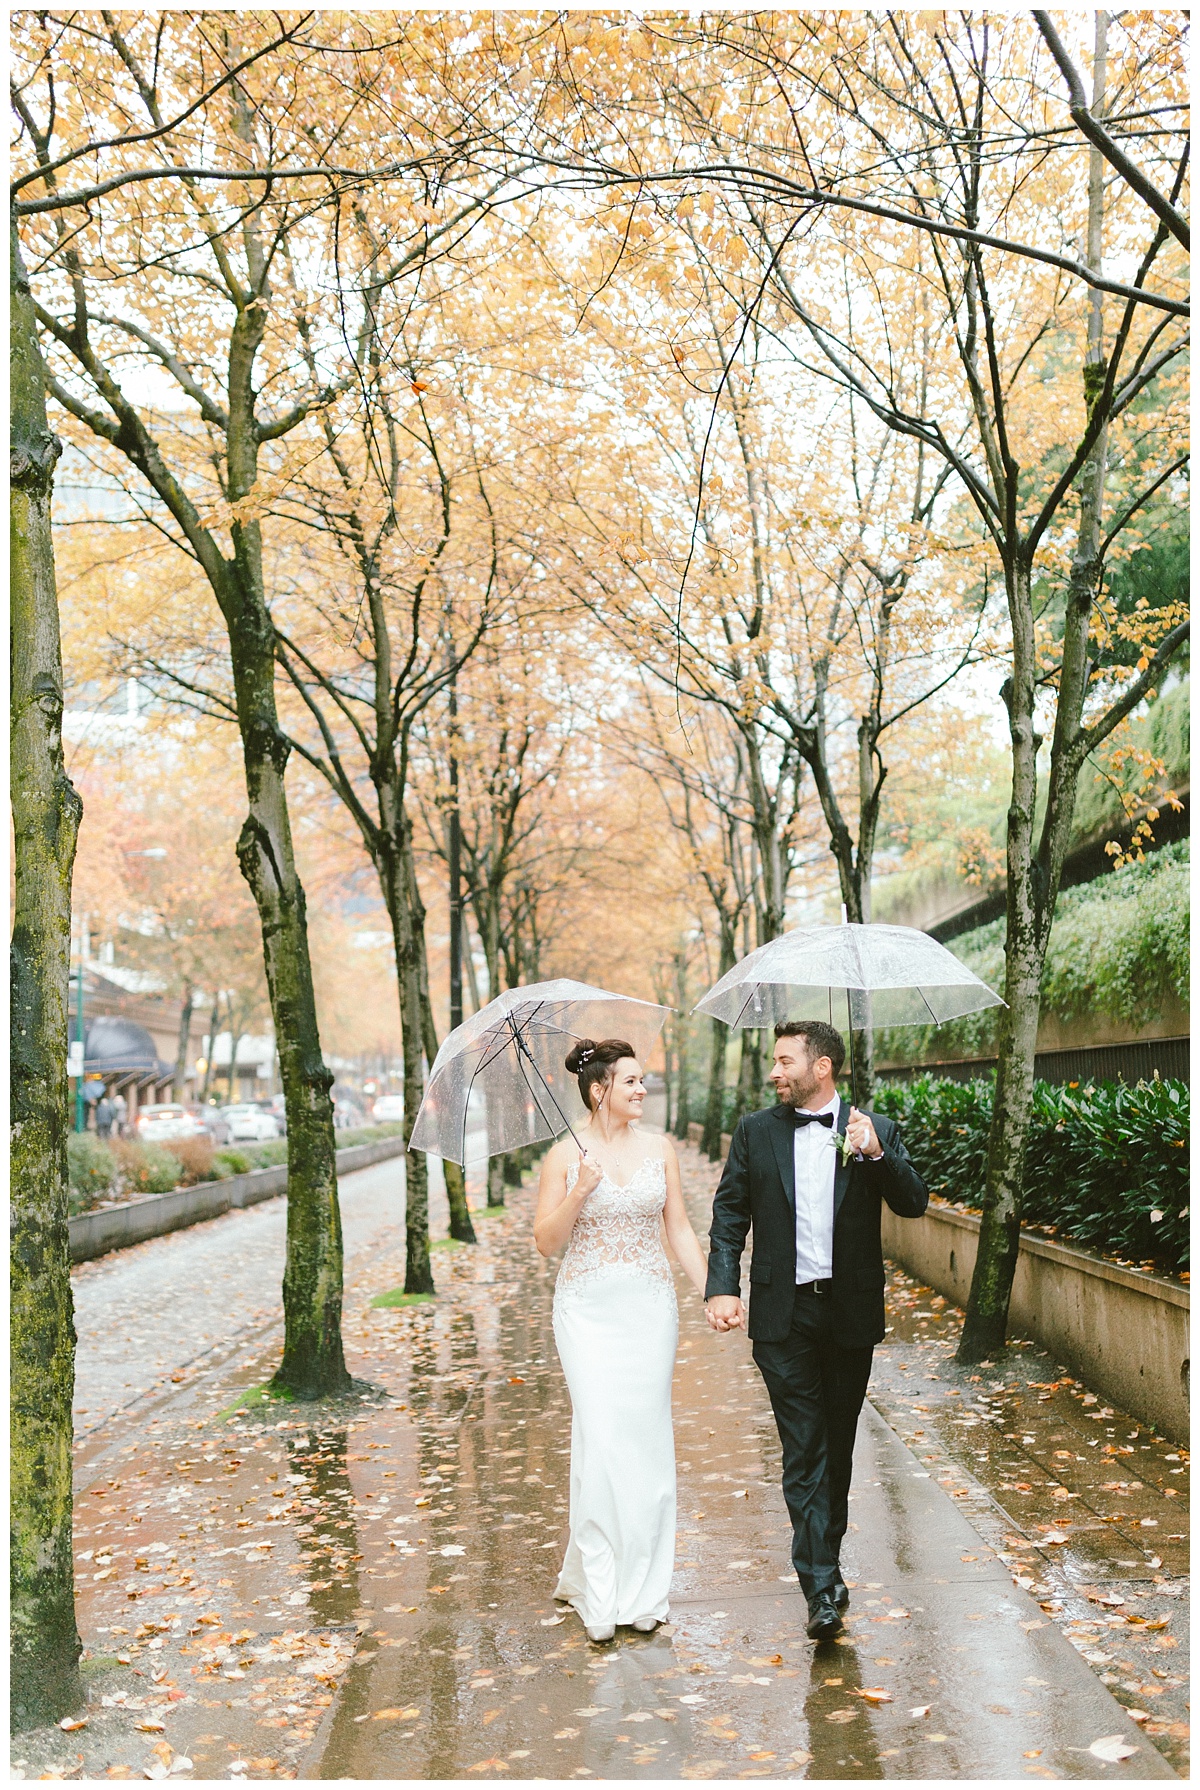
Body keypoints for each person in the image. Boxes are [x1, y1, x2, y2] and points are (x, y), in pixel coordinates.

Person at [704, 1019, 928, 1641]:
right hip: (783, 1314)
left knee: (837, 1439)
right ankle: (820, 1587)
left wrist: (875, 1155)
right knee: (803, 1445)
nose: (774, 1072)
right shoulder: (755, 1132)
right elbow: (730, 1212)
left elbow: (914, 1203)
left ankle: (824, 1559)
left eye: (784, 1062)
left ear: (820, 1067)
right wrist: (722, 1283)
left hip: (849, 1312)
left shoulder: (872, 1129)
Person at [534, 1037, 710, 1645]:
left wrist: (713, 1291)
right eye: (631, 1081)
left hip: (649, 1310)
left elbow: (679, 1227)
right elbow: (545, 1242)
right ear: (598, 1089)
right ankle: (602, 1588)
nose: (642, 1089)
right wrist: (580, 1189)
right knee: (604, 1442)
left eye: (643, 1081)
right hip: (585, 1313)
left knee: (646, 1441)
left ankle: (645, 1589)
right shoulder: (563, 1156)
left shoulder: (660, 1148)